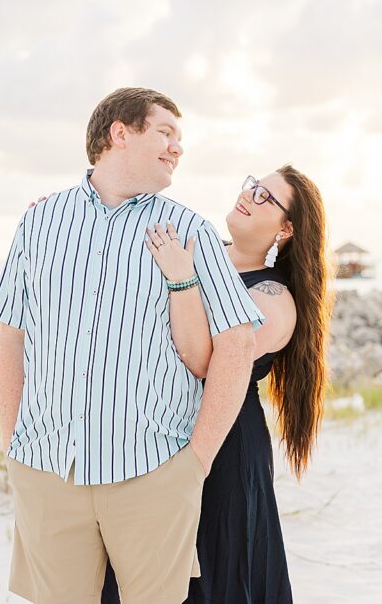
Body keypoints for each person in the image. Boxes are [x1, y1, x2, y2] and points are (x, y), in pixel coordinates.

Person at [0, 87, 265, 604]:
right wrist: (12, 445)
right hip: (46, 468)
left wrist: (195, 463)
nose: (177, 148)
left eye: (180, 139)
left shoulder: (189, 231)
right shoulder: (39, 222)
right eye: (165, 133)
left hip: (152, 472)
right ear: (120, 132)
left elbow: (238, 343)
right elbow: (12, 337)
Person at [100, 166, 332, 604]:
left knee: (211, 576)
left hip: (223, 442)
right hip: (154, 431)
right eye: (254, 186)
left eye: (267, 198)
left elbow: (206, 362)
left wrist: (181, 279)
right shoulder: (198, 251)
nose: (250, 195)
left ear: (286, 229)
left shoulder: (273, 301)